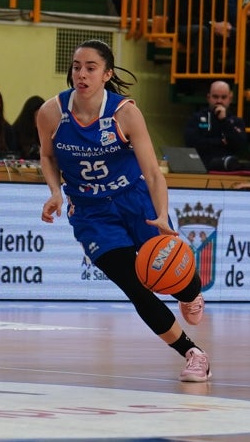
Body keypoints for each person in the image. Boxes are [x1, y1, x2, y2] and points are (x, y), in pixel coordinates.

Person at [38, 39, 211, 382]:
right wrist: (55, 192)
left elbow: (152, 172)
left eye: (90, 68)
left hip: (136, 201)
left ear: (107, 74)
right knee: (135, 286)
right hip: (91, 214)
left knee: (177, 278)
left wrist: (161, 214)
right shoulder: (51, 112)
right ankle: (194, 354)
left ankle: (191, 294)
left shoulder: (124, 113)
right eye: (76, 67)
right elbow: (46, 156)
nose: (82, 74)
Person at [183, 79, 247, 170]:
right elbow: (191, 143)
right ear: (208, 98)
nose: (219, 101)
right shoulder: (196, 118)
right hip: (202, 167)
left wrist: (224, 121)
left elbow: (240, 146)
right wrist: (221, 142)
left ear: (230, 99)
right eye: (215, 97)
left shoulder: (236, 122)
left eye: (223, 97)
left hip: (228, 168)